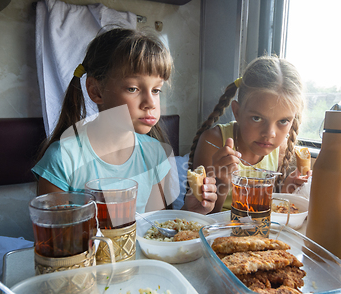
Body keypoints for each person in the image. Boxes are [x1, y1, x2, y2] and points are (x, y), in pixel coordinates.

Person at [32, 28, 216, 214]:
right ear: (96, 91)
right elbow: (57, 239)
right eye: (133, 89)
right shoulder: (62, 160)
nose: (150, 103)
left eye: (156, 90)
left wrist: (192, 211)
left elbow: (157, 230)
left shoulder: (155, 156)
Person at [188, 55, 310, 213]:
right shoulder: (214, 142)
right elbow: (202, 215)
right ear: (237, 112)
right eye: (257, 118)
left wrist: (286, 193)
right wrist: (222, 183)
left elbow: (262, 211)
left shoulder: (281, 149)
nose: (269, 133)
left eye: (283, 121)